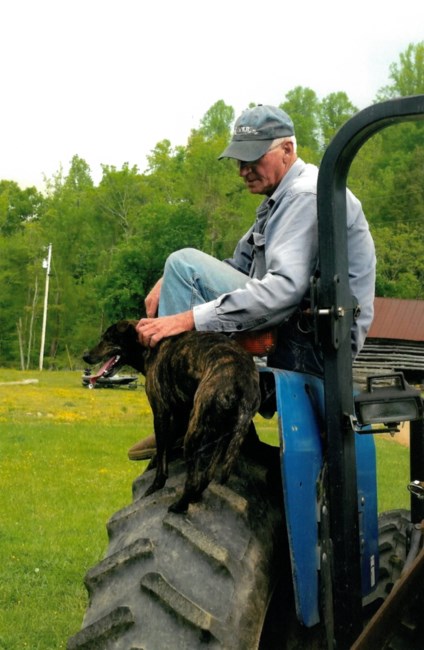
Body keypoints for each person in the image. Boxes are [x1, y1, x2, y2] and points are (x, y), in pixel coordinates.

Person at [128, 104, 376, 460]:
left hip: (315, 344)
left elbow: (283, 289)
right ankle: (201, 414)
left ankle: (184, 415)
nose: (243, 171)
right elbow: (236, 268)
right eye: (238, 162)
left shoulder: (303, 196)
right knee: (179, 268)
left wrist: (184, 318)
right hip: (300, 328)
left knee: (183, 261)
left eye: (252, 159)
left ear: (287, 150)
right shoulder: (277, 203)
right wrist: (170, 279)